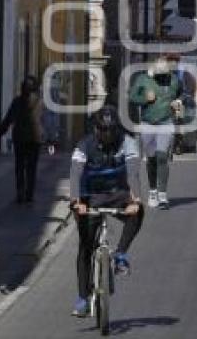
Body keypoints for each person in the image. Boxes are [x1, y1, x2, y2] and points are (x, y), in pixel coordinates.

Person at [69, 105, 144, 317]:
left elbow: (133, 174)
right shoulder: (84, 145)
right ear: (96, 129)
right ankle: (83, 298)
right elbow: (75, 174)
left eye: (112, 130)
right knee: (86, 247)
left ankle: (120, 253)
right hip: (89, 196)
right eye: (103, 129)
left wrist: (135, 199)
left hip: (116, 192)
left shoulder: (128, 142)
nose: (107, 134)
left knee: (138, 211)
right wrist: (77, 201)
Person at [128, 53, 184, 210]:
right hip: (148, 123)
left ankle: (162, 194)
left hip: (166, 122)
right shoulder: (143, 79)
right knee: (151, 158)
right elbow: (132, 97)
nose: (163, 77)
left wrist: (178, 102)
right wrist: (145, 98)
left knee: (162, 156)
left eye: (165, 74)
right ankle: (152, 191)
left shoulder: (174, 80)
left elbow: (181, 93)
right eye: (160, 75)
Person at [0, 76, 45, 204]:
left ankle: (20, 192)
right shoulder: (39, 102)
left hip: (21, 139)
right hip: (34, 139)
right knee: (31, 168)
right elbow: (44, 120)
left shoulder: (17, 101)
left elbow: (9, 119)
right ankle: (29, 195)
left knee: (20, 166)